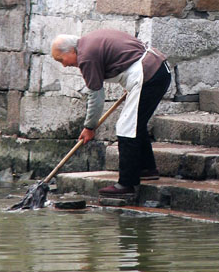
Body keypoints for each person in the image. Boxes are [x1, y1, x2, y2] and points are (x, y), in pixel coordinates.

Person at [51, 29, 171, 200]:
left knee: (126, 126)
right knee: (135, 122)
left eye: (61, 60)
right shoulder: (90, 41)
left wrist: (89, 127)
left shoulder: (86, 57)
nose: (63, 65)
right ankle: (147, 169)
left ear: (70, 51)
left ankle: (126, 184)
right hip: (157, 68)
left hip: (148, 74)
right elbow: (124, 55)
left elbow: (96, 97)